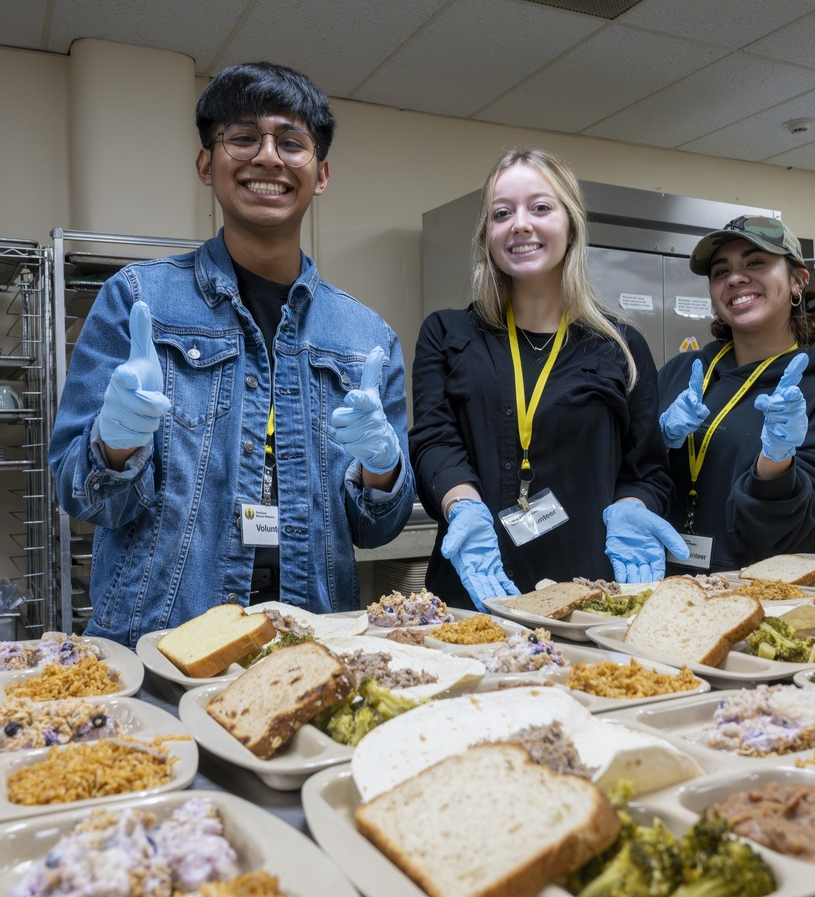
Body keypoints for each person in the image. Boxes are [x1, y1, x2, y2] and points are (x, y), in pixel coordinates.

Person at [50, 62, 413, 646]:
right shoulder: (138, 300)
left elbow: (378, 529)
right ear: (206, 165)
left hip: (308, 642)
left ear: (320, 175)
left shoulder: (366, 338)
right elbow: (77, 491)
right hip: (164, 643)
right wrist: (114, 442)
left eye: (291, 143)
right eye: (243, 138)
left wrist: (382, 466)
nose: (267, 157)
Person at [410, 148, 682, 611]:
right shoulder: (447, 334)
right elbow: (435, 438)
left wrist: (635, 507)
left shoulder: (620, 347)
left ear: (571, 224)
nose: (520, 224)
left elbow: (647, 469)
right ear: (487, 234)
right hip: (473, 585)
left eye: (540, 207)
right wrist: (462, 504)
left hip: (588, 591)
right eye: (502, 213)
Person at [657, 215, 815, 571]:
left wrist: (776, 466)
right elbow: (632, 481)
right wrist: (656, 443)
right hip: (658, 588)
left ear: (797, 282)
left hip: (764, 601)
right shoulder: (683, 373)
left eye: (756, 262)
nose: (735, 278)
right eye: (720, 272)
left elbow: (813, 540)